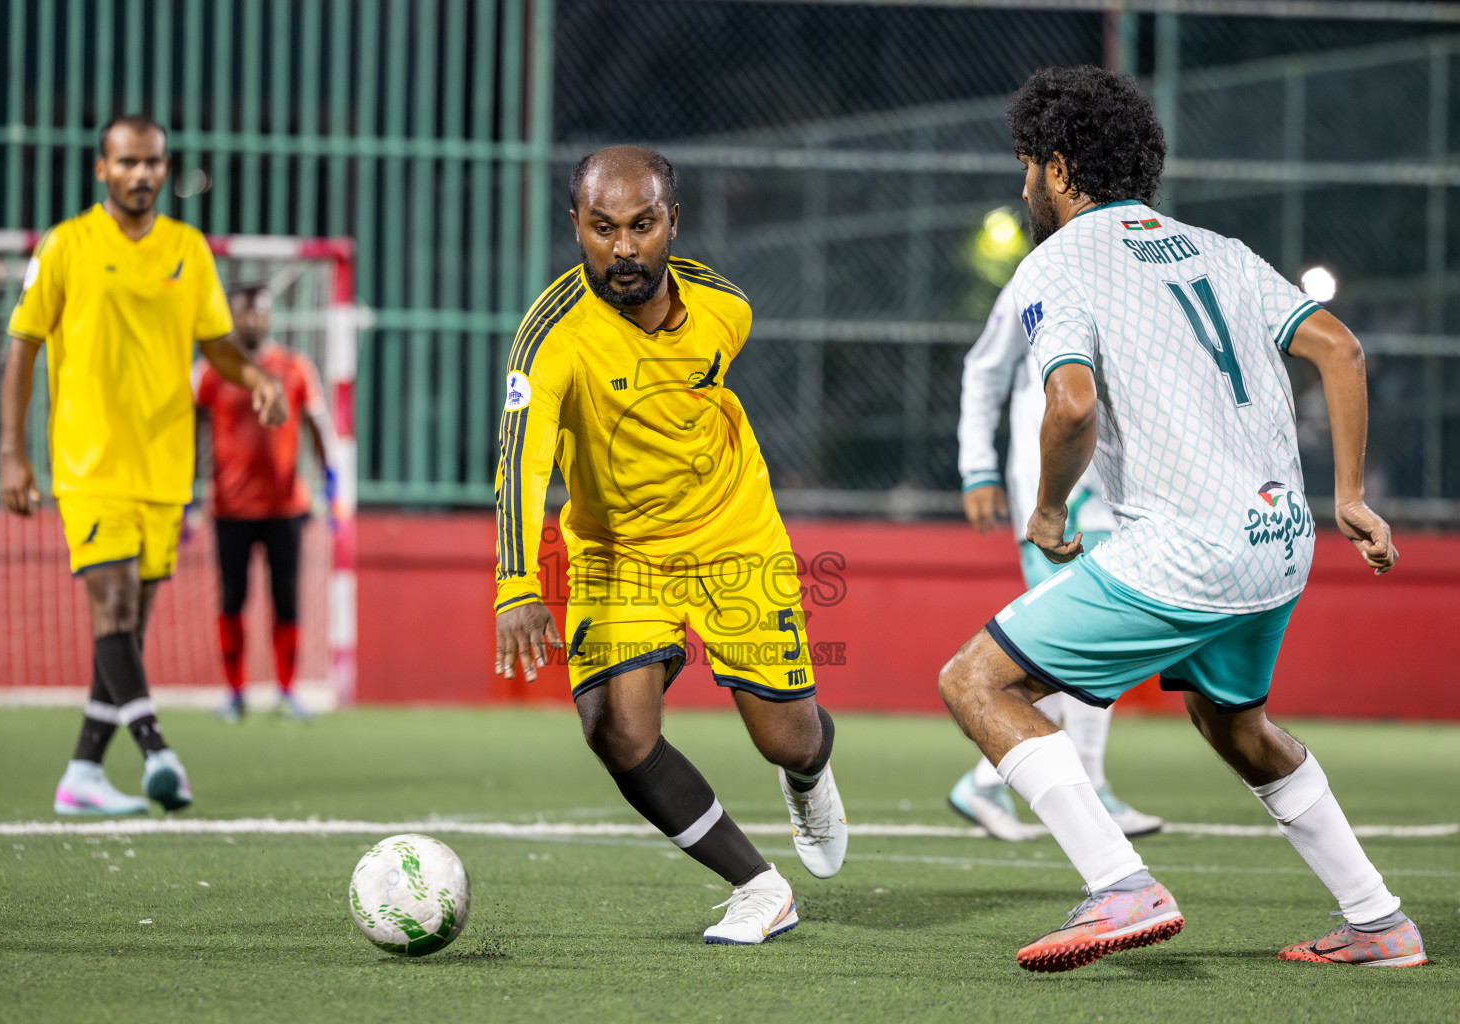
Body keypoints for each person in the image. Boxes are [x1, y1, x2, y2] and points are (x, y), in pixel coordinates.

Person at [936, 67, 1427, 972]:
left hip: (1188, 549)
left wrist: (1046, 510)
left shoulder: (1060, 263)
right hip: (1282, 541)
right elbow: (1340, 348)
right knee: (1233, 722)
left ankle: (1118, 885)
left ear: (1057, 166)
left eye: (1025, 168)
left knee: (976, 683)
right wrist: (1350, 496)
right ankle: (1379, 922)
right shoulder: (1219, 248)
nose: (1021, 188)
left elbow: (1072, 405)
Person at [493, 146, 846, 944]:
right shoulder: (549, 338)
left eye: (643, 226)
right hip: (620, 556)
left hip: (733, 536)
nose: (624, 249)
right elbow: (521, 465)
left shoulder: (727, 309)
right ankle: (760, 888)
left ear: (672, 225)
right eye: (603, 228)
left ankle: (810, 775)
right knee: (615, 728)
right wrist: (517, 585)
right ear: (576, 227)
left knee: (785, 736)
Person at [1, 115, 286, 816]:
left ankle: (82, 775)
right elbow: (23, 347)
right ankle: (159, 750)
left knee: (127, 627)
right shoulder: (66, 246)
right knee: (115, 604)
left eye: (152, 162)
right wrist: (11, 452)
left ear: (164, 169)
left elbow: (217, 344)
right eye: (126, 161)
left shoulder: (188, 249)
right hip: (88, 461)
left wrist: (253, 378)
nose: (141, 174)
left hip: (164, 468)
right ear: (102, 169)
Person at [953, 280, 1162, 840]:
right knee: (1077, 646)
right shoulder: (1036, 278)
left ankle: (1003, 783)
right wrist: (977, 466)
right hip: (1057, 498)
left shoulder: (1132, 272)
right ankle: (996, 781)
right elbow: (985, 368)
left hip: (1126, 492)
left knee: (1100, 644)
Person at [194, 285, 332, 722]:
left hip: (286, 507)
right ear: (230, 317)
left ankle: (287, 690)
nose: (252, 321)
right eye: (243, 314)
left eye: (259, 314)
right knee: (232, 599)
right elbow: (192, 433)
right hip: (230, 508)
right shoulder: (212, 372)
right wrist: (187, 494)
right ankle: (235, 692)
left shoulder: (294, 368)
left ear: (271, 318)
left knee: (286, 599)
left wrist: (331, 481)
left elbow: (317, 429)